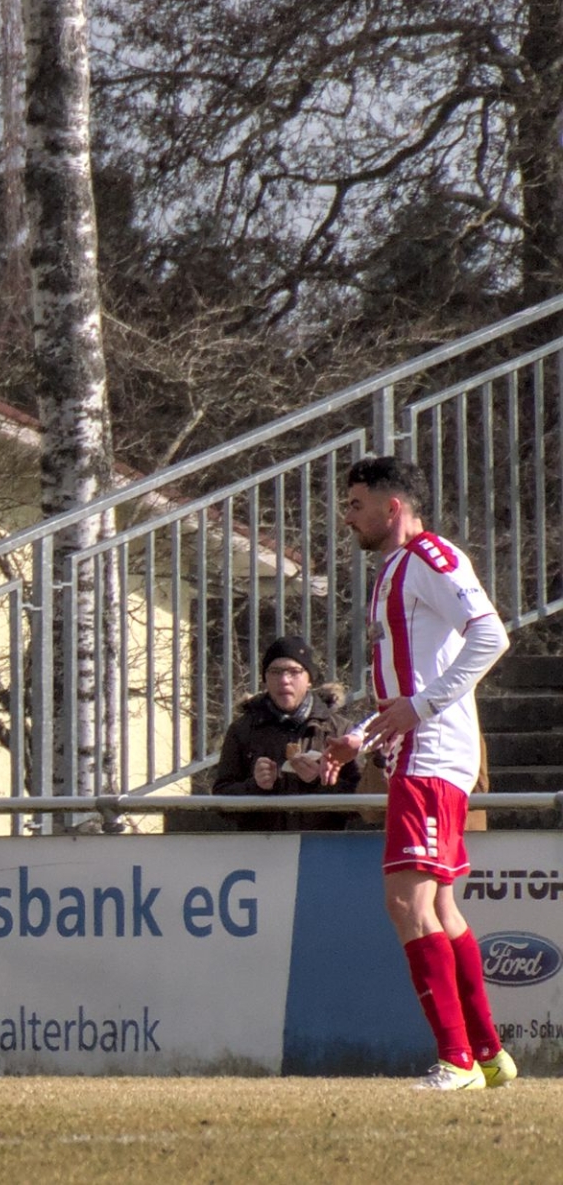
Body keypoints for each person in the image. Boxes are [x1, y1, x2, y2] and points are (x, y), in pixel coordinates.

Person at [324, 454, 513, 1091]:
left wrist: (423, 708)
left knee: (406, 902)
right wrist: (358, 736)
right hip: (416, 749)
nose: (347, 517)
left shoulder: (431, 558)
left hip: (431, 754)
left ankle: (455, 1061)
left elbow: (491, 637)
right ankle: (487, 1055)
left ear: (393, 507)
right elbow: (409, 682)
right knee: (438, 905)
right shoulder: (396, 569)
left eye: (356, 504)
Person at [210, 634, 358, 832]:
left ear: (309, 679)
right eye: (275, 672)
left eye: (294, 672)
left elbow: (363, 804)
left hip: (322, 845)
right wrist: (255, 786)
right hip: (264, 846)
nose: (284, 680)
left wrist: (319, 782)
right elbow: (221, 803)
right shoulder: (243, 729)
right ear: (265, 679)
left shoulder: (339, 730)